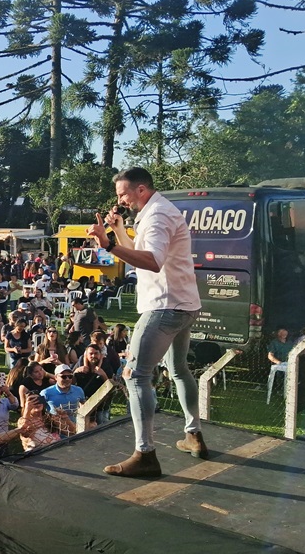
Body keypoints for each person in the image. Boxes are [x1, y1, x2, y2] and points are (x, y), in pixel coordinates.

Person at [88, 167, 206, 477]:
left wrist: (109, 246)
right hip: (184, 304)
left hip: (165, 307)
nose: (120, 200)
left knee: (134, 374)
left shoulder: (156, 217)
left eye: (123, 194)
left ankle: (146, 455)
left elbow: (151, 262)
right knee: (179, 369)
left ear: (141, 189)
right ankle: (193, 434)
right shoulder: (157, 211)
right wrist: (117, 231)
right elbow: (141, 250)